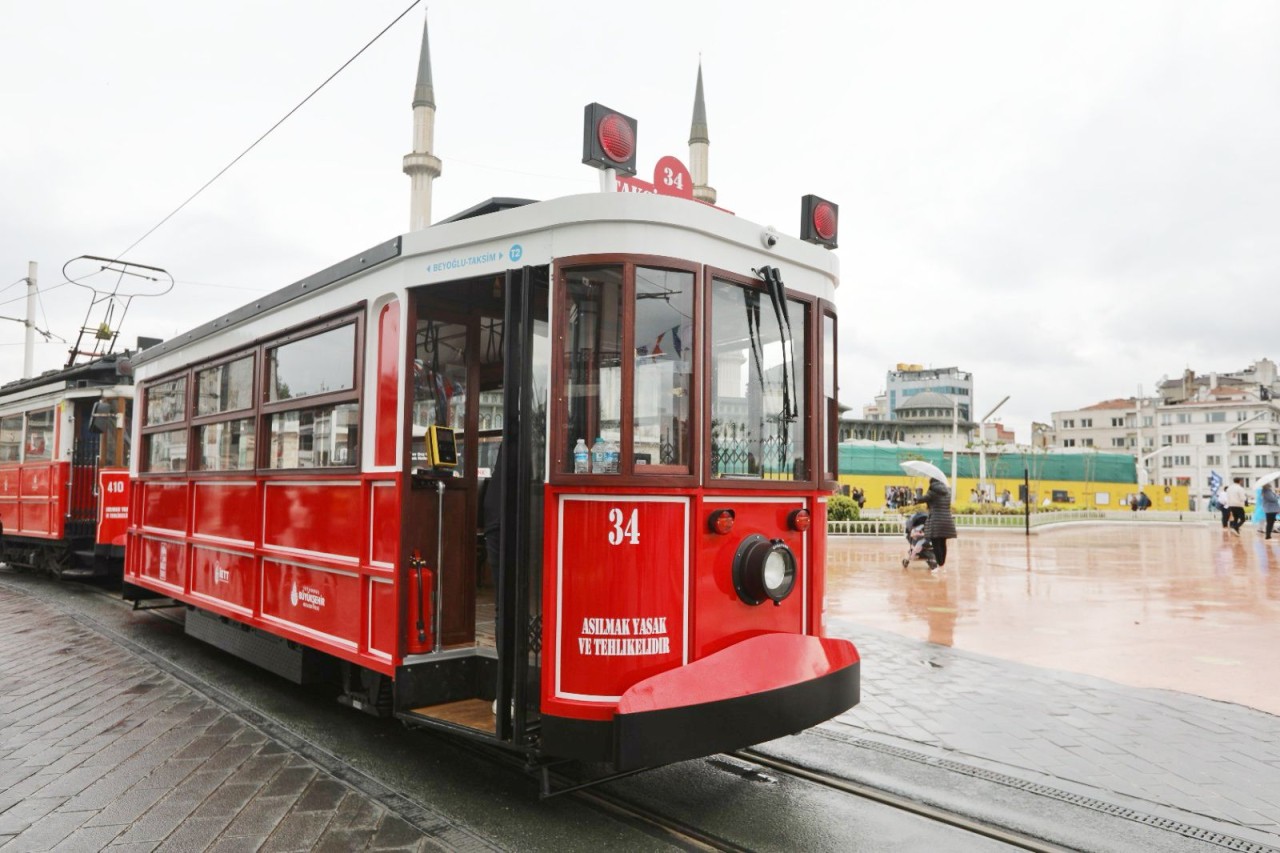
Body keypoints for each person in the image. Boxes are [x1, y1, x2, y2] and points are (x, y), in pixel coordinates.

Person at [913, 477, 957, 569]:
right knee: (942, 542)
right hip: (946, 520)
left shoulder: (932, 492)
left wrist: (919, 489)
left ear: (931, 483)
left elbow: (919, 499)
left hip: (936, 521)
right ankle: (942, 563)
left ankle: (940, 564)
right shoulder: (947, 492)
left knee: (936, 542)